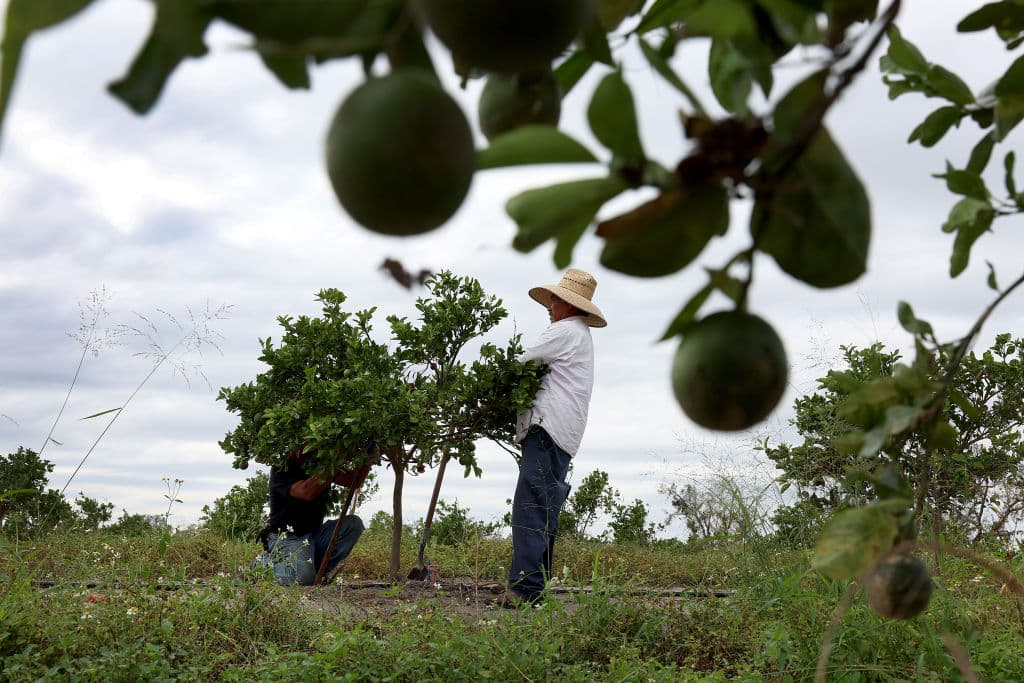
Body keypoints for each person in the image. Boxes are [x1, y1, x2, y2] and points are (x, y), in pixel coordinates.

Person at [497, 268, 606, 607]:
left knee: (530, 506)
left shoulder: (564, 330)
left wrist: (492, 382)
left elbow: (520, 363)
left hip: (548, 429)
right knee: (543, 508)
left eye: (556, 300)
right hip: (563, 433)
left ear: (569, 305)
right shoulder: (578, 335)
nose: (550, 305)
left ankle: (525, 590)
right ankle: (534, 589)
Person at [251, 447, 371, 586]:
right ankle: (262, 565)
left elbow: (354, 481)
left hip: (314, 535)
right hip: (287, 538)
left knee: (353, 525)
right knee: (302, 579)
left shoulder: (318, 465)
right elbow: (307, 491)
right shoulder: (282, 467)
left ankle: (314, 571)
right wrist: (334, 462)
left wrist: (367, 461)